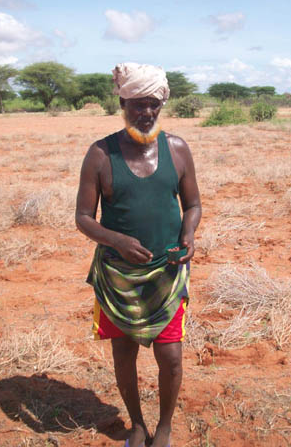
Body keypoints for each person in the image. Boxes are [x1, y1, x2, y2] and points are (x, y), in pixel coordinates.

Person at [75, 62, 201, 447]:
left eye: (153, 105)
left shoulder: (177, 149)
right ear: (123, 102)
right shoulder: (100, 154)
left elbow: (193, 204)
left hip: (166, 275)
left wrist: (188, 236)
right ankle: (137, 425)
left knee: (172, 358)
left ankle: (163, 429)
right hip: (118, 280)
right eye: (137, 105)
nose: (146, 113)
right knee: (123, 355)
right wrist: (116, 240)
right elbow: (83, 218)